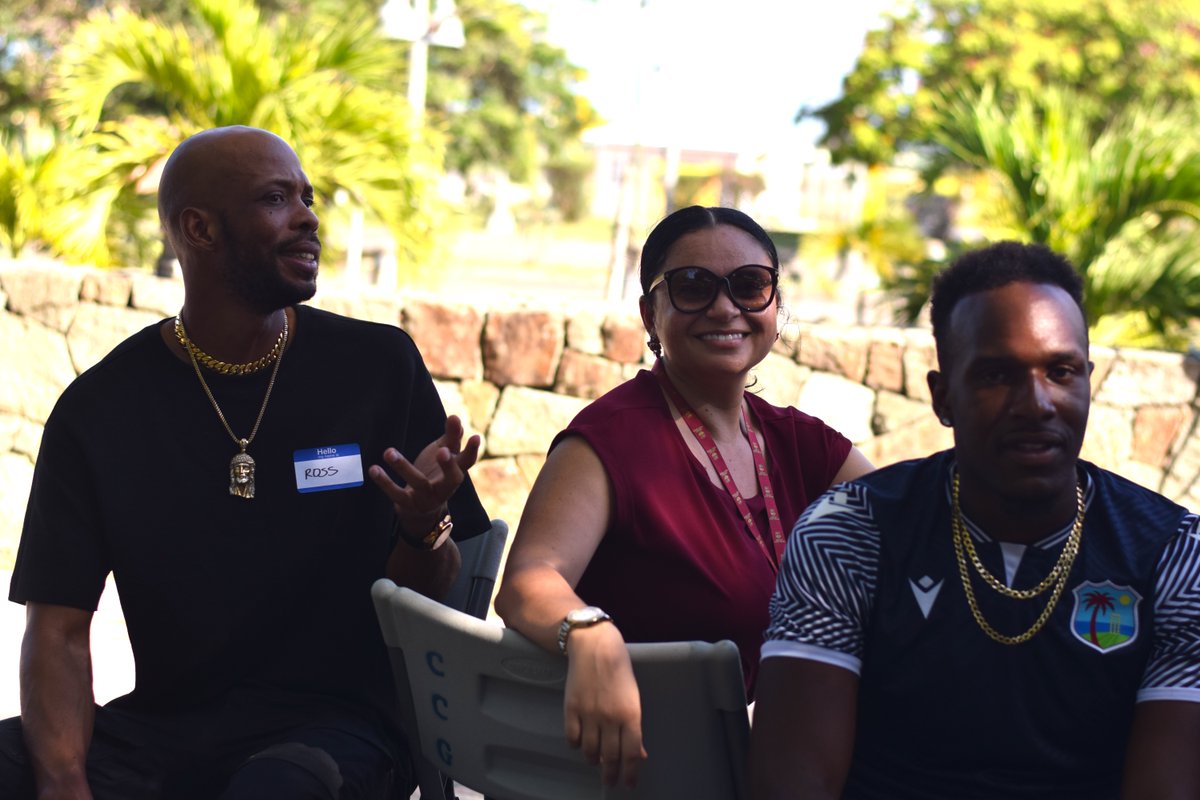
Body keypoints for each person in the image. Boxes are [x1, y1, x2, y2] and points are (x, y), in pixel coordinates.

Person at [0, 126, 490, 799]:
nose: (309, 218)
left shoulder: (378, 368)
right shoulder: (101, 409)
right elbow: (56, 631)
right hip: (164, 730)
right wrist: (63, 785)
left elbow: (432, 594)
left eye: (307, 198)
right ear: (199, 229)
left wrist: (422, 525)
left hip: (340, 730)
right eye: (275, 199)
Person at [750, 241, 1200, 799]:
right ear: (942, 398)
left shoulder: (1174, 553)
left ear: (1088, 381)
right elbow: (794, 782)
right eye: (996, 375)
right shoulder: (850, 534)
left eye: (1061, 371)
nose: (1036, 402)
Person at [494, 205, 873, 789]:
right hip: (662, 773)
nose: (726, 308)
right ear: (651, 313)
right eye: (693, 287)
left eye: (750, 285)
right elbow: (527, 581)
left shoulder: (803, 443)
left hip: (781, 759)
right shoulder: (610, 440)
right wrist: (590, 634)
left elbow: (906, 534)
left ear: (775, 305)